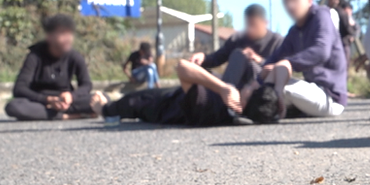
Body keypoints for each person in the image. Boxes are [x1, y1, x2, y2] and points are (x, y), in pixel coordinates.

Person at [250, 0, 349, 118]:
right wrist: (254, 84)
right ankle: (255, 108)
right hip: (310, 92)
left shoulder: (321, 15)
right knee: (268, 80)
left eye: (295, 0)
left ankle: (260, 111)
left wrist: (289, 63)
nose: (290, 5)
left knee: (274, 85)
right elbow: (275, 58)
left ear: (309, 0)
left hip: (331, 97)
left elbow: (322, 51)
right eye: (286, 1)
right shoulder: (295, 30)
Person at [93, 59, 257, 127]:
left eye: (250, 90)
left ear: (242, 104)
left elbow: (183, 67)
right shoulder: (234, 97)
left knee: (127, 103)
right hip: (174, 95)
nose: (248, 87)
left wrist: (222, 88)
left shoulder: (211, 106)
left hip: (160, 105)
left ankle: (101, 108)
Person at [5, 14, 94, 121]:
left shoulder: (74, 56)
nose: (68, 38)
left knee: (101, 99)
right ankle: (64, 116)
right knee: (14, 106)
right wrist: (47, 99)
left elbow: (86, 84)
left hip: (66, 101)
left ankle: (52, 114)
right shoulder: (35, 56)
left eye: (70, 33)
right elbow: (19, 89)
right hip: (41, 102)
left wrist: (72, 96)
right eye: (62, 33)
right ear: (49, 36)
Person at [189, 4, 283, 89]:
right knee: (199, 74)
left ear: (265, 23)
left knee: (239, 55)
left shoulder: (277, 41)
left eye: (254, 25)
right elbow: (217, 58)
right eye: (248, 24)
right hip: (235, 84)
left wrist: (258, 59)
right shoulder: (237, 38)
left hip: (261, 85)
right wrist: (204, 58)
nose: (250, 29)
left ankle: (226, 96)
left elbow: (282, 70)